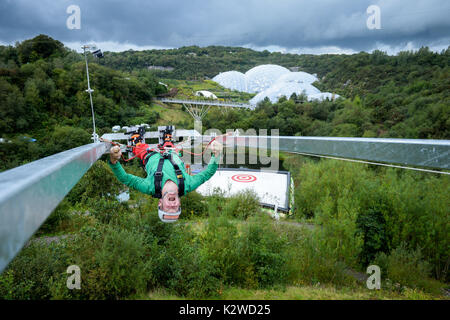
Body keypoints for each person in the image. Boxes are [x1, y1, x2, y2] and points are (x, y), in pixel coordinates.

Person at [108, 131, 222, 223]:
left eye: (168, 208)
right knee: (172, 147)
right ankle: (167, 140)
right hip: (173, 153)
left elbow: (126, 179)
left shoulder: (151, 187)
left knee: (140, 148)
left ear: (160, 203)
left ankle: (136, 141)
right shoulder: (187, 185)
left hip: (150, 155)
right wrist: (216, 155)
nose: (172, 205)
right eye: (175, 208)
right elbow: (207, 174)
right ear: (179, 204)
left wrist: (114, 161)